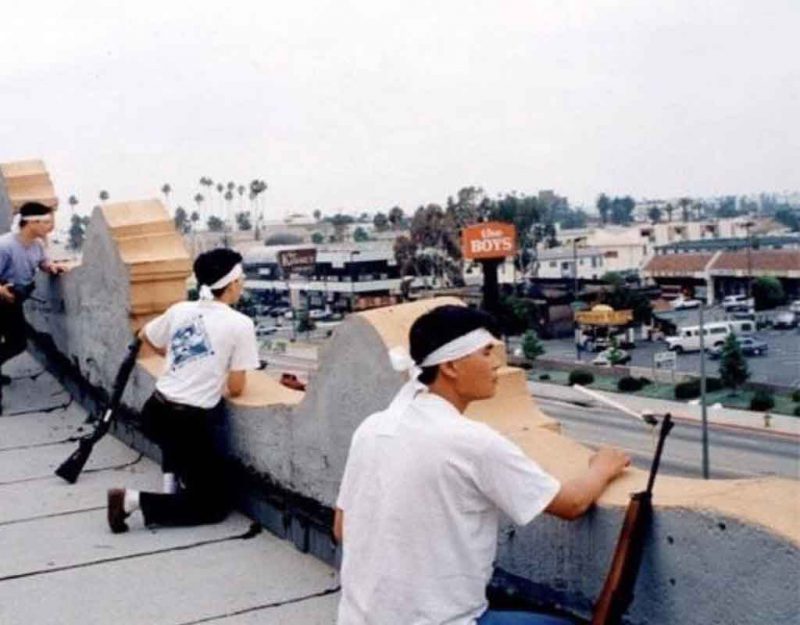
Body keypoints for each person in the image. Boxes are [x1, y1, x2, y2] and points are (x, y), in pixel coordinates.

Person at [333, 305, 630, 625]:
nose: (497, 364)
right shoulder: (473, 441)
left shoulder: (373, 427)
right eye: (486, 353)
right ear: (450, 366)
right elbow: (571, 504)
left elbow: (341, 528)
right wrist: (603, 467)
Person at [107, 248, 260, 533]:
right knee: (212, 506)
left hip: (154, 411)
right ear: (232, 284)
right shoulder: (240, 324)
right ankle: (129, 501)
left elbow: (144, 334)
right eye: (241, 280)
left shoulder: (181, 310)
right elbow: (237, 388)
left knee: (202, 465)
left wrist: (179, 359)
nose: (242, 285)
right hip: (187, 423)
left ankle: (173, 481)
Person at [0, 202, 67, 413]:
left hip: (14, 301)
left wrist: (51, 267)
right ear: (31, 222)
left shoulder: (36, 245)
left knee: (17, 342)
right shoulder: (5, 246)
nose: (49, 226)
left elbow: (42, 262)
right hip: (2, 298)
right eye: (45, 222)